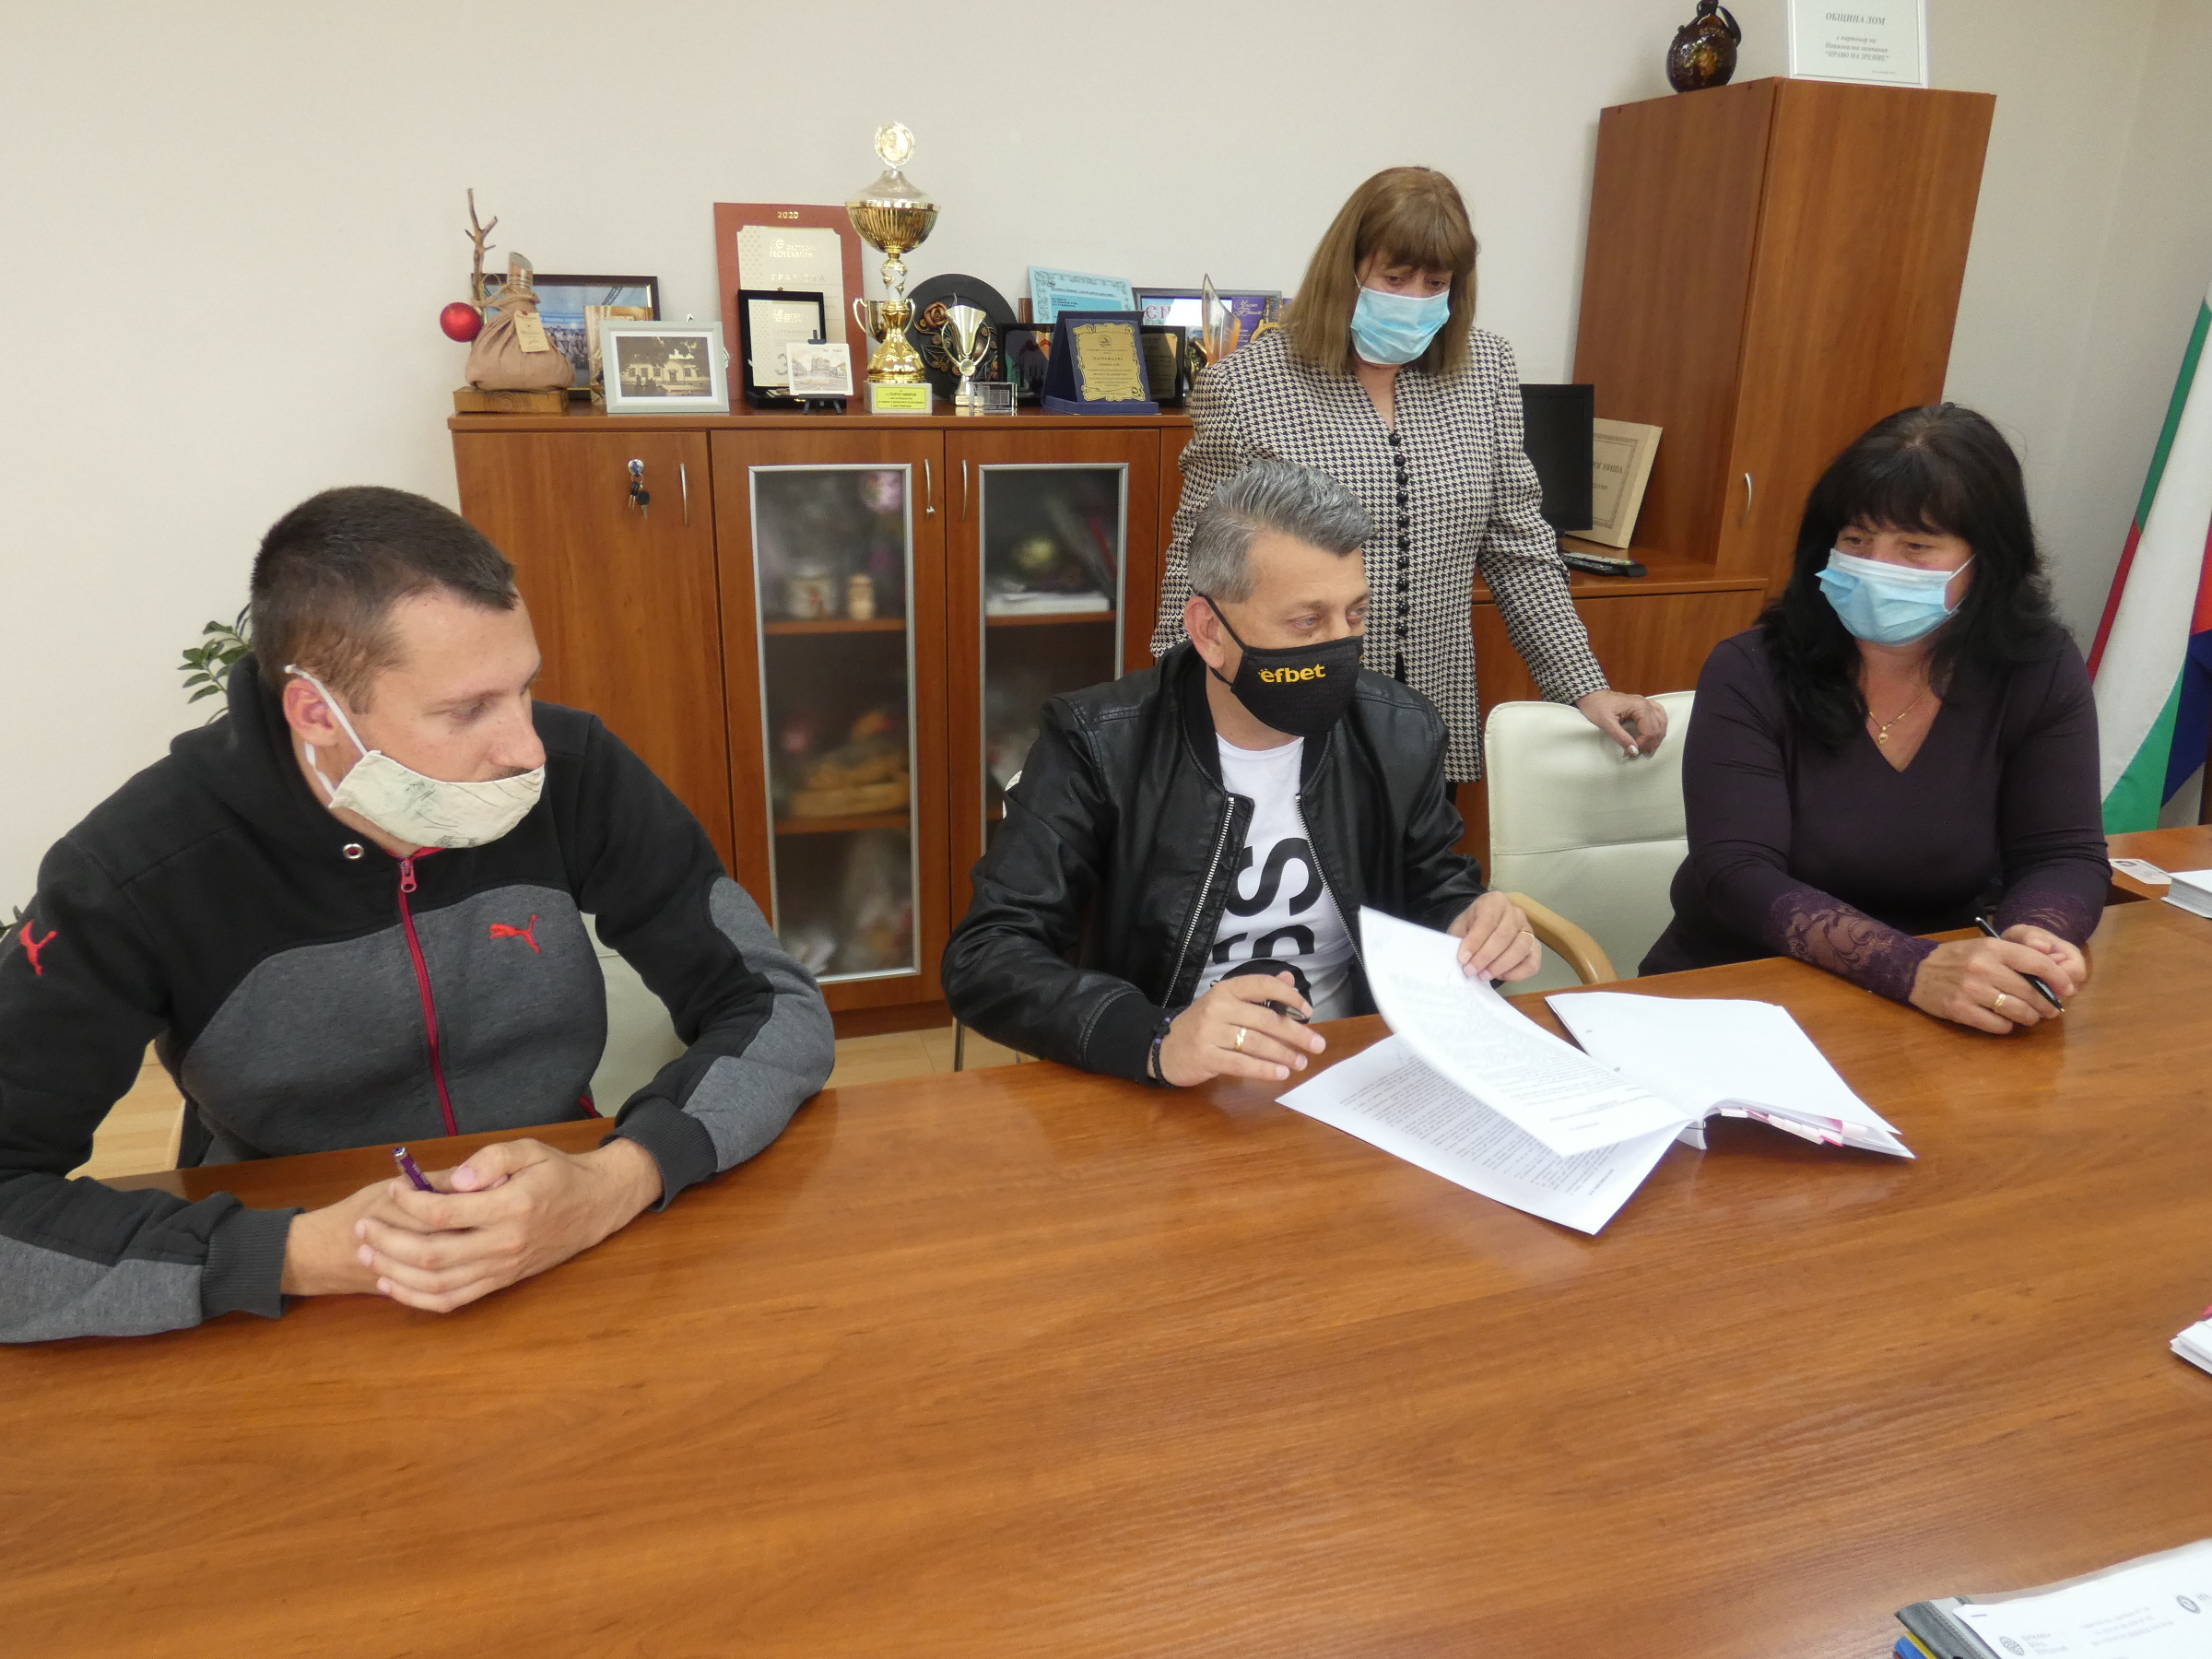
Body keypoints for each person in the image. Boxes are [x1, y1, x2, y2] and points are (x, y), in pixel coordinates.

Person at [0, 487, 834, 1342]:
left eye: (524, 689)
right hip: (289, 1293)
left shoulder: (578, 772)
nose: (526, 749)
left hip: (562, 1237)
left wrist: (620, 1178)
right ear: (317, 712)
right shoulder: (136, 871)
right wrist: (295, 1254)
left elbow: (773, 1004)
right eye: (467, 710)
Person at [945, 459, 1541, 1087]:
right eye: (1306, 621)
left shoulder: (1399, 730)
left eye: (1355, 615)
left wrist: (1471, 924)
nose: (1340, 647)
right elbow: (987, 956)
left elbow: (1434, 887)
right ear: (1209, 632)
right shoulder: (1098, 742)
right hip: (1166, 1077)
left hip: (1349, 1065)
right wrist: (1155, 1038)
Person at [1150, 165, 1668, 784]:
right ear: (1346, 271)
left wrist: (1585, 686)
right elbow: (1199, 562)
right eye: (1394, 278)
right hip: (1286, 711)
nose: (1415, 298)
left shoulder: (1485, 371)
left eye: (1436, 283)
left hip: (1427, 717)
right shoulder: (1247, 386)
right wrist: (1172, 710)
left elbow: (1520, 548)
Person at [1642, 405, 2107, 1031]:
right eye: (1857, 540)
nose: (1877, 565)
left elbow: (2063, 854)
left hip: (1936, 1006)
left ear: (1987, 561)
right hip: (1739, 988)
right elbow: (1736, 874)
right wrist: (1909, 968)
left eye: (1915, 547)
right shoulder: (1750, 669)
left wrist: (2037, 936)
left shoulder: (2037, 668)